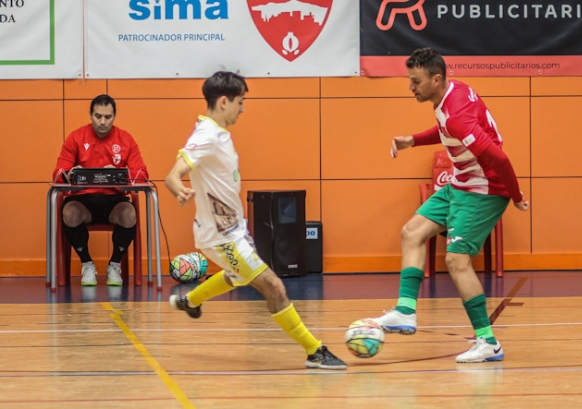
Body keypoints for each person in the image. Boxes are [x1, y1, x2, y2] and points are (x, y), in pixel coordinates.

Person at [165, 71, 347, 370]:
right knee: (273, 287)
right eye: (241, 101)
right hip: (222, 236)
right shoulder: (206, 135)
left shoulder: (218, 132)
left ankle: (191, 301)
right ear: (224, 102)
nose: (243, 108)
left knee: (237, 275)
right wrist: (179, 189)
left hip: (235, 229)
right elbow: (174, 173)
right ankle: (315, 351)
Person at [371, 48, 530, 363]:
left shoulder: (457, 113)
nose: (410, 87)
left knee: (457, 261)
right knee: (412, 232)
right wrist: (413, 140)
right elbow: (446, 131)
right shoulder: (451, 94)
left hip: (484, 189)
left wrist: (515, 196)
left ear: (436, 78)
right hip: (460, 183)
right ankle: (405, 311)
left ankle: (488, 342)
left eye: (415, 82)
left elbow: (497, 156)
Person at [52, 94, 148, 286]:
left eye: (108, 117)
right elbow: (57, 174)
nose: (103, 122)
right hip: (83, 201)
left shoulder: (126, 139)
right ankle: (87, 264)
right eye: (98, 116)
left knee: (129, 214)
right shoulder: (76, 137)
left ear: (114, 116)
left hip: (114, 200)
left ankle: (114, 265)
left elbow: (143, 174)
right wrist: (70, 173)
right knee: (69, 213)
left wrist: (121, 174)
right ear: (90, 115)